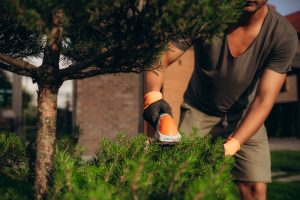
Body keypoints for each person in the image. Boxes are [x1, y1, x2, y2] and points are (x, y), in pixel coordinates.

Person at [143, 0, 298, 199]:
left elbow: (264, 100)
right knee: (179, 179)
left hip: (246, 113)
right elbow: (160, 56)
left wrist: (234, 144)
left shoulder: (282, 35)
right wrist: (153, 95)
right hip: (199, 110)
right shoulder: (204, 16)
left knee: (255, 189)